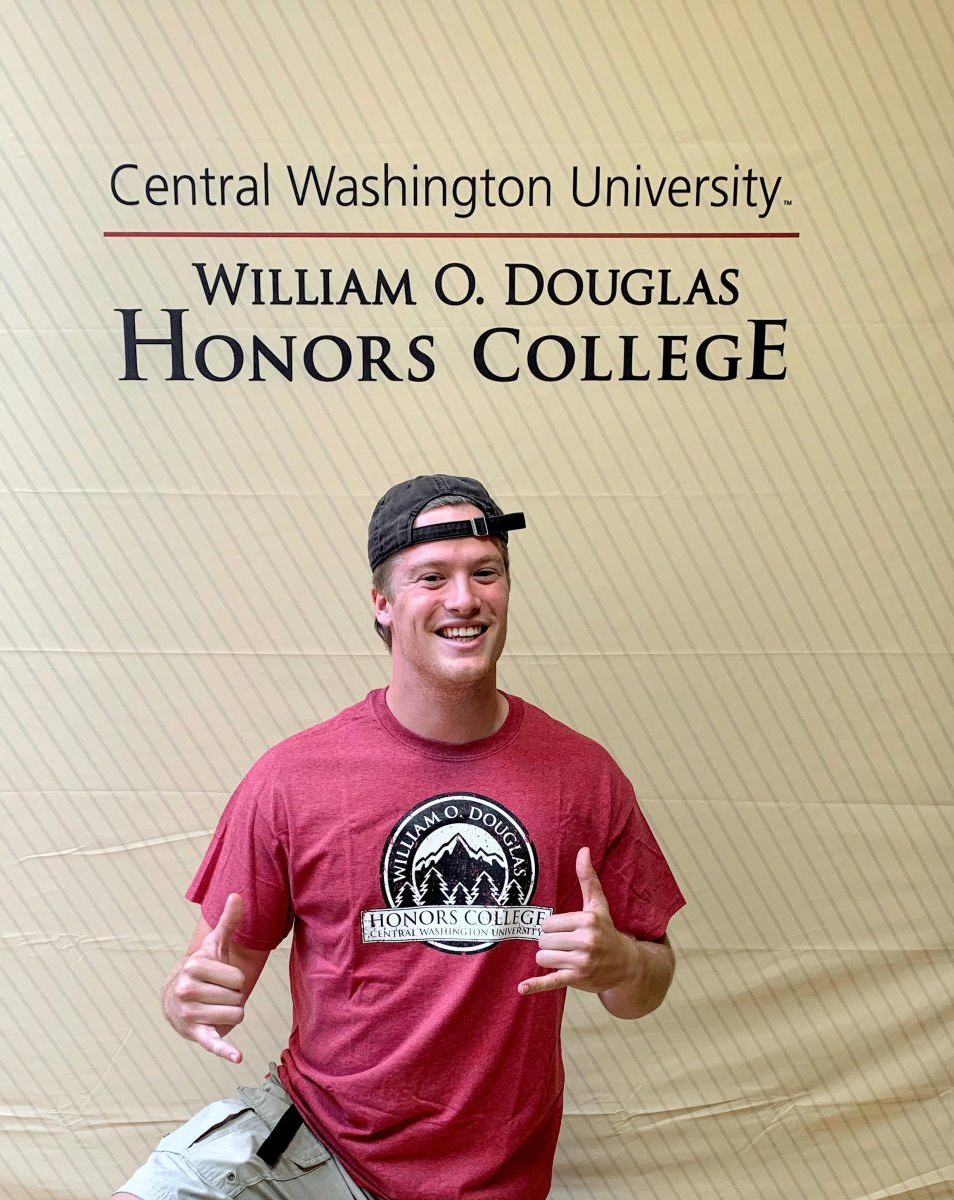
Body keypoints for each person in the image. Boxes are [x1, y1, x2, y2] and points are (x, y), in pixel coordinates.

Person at [112, 474, 686, 1200]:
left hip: (487, 1181)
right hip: (314, 1145)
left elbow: (644, 990)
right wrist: (183, 999)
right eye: (432, 577)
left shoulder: (583, 776)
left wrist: (621, 963)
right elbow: (215, 968)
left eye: (486, 573)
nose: (464, 599)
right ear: (383, 603)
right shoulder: (293, 777)